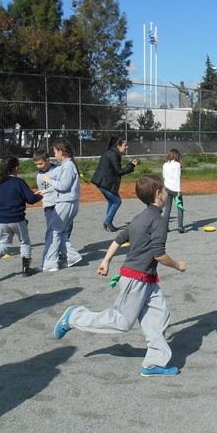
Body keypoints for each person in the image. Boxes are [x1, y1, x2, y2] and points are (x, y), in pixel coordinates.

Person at [54, 175, 186, 377]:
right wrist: (178, 265)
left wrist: (106, 261)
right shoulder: (158, 220)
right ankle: (74, 317)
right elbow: (159, 254)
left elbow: (119, 239)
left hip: (147, 280)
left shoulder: (139, 217)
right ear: (158, 194)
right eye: (166, 191)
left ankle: (153, 363)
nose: (168, 194)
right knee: (122, 321)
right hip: (136, 279)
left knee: (159, 317)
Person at [0, 156, 44, 280]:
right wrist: (40, 195)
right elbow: (30, 199)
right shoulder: (19, 182)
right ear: (15, 168)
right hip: (17, 218)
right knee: (24, 241)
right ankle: (26, 269)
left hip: (2, 219)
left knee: (4, 244)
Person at [41, 139, 82, 272]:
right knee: (61, 231)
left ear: (61, 151)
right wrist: (48, 190)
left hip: (65, 203)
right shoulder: (67, 165)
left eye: (55, 152)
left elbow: (64, 186)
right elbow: (65, 185)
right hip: (69, 202)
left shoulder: (68, 166)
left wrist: (49, 181)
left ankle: (51, 263)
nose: (54, 155)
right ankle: (73, 256)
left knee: (53, 232)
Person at [91, 137, 137, 232]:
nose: (126, 147)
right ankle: (108, 221)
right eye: (125, 145)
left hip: (102, 182)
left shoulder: (109, 152)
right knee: (117, 201)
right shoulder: (113, 155)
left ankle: (108, 222)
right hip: (105, 183)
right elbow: (119, 171)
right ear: (119, 145)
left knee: (112, 202)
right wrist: (131, 166)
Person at [161, 148, 185, 233]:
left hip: (167, 188)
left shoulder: (165, 164)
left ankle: (165, 227)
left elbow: (164, 176)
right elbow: (177, 178)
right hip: (175, 189)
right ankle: (180, 227)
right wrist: (179, 190)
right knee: (180, 208)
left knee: (167, 208)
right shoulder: (177, 165)